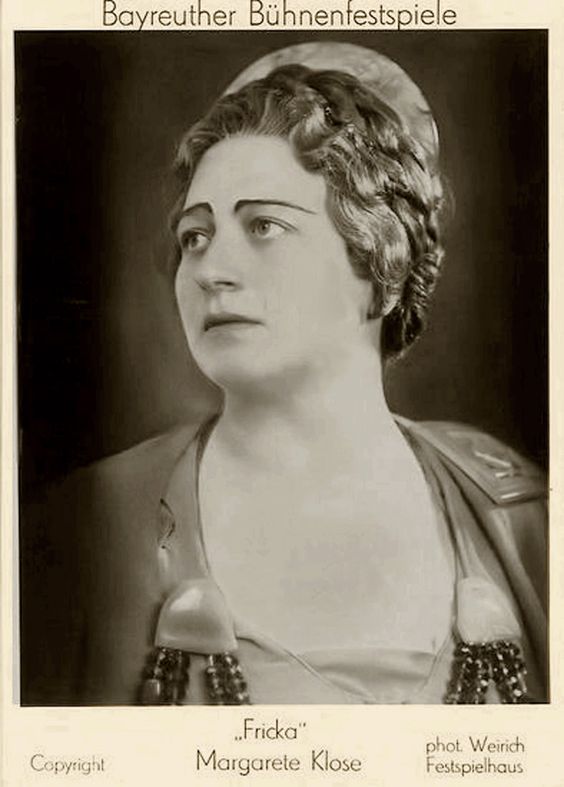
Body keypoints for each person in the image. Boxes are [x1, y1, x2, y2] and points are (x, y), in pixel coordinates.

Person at [21, 42, 547, 706]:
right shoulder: (80, 528)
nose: (211, 270)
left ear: (381, 264)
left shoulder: (518, 516)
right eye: (195, 236)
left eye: (264, 225)